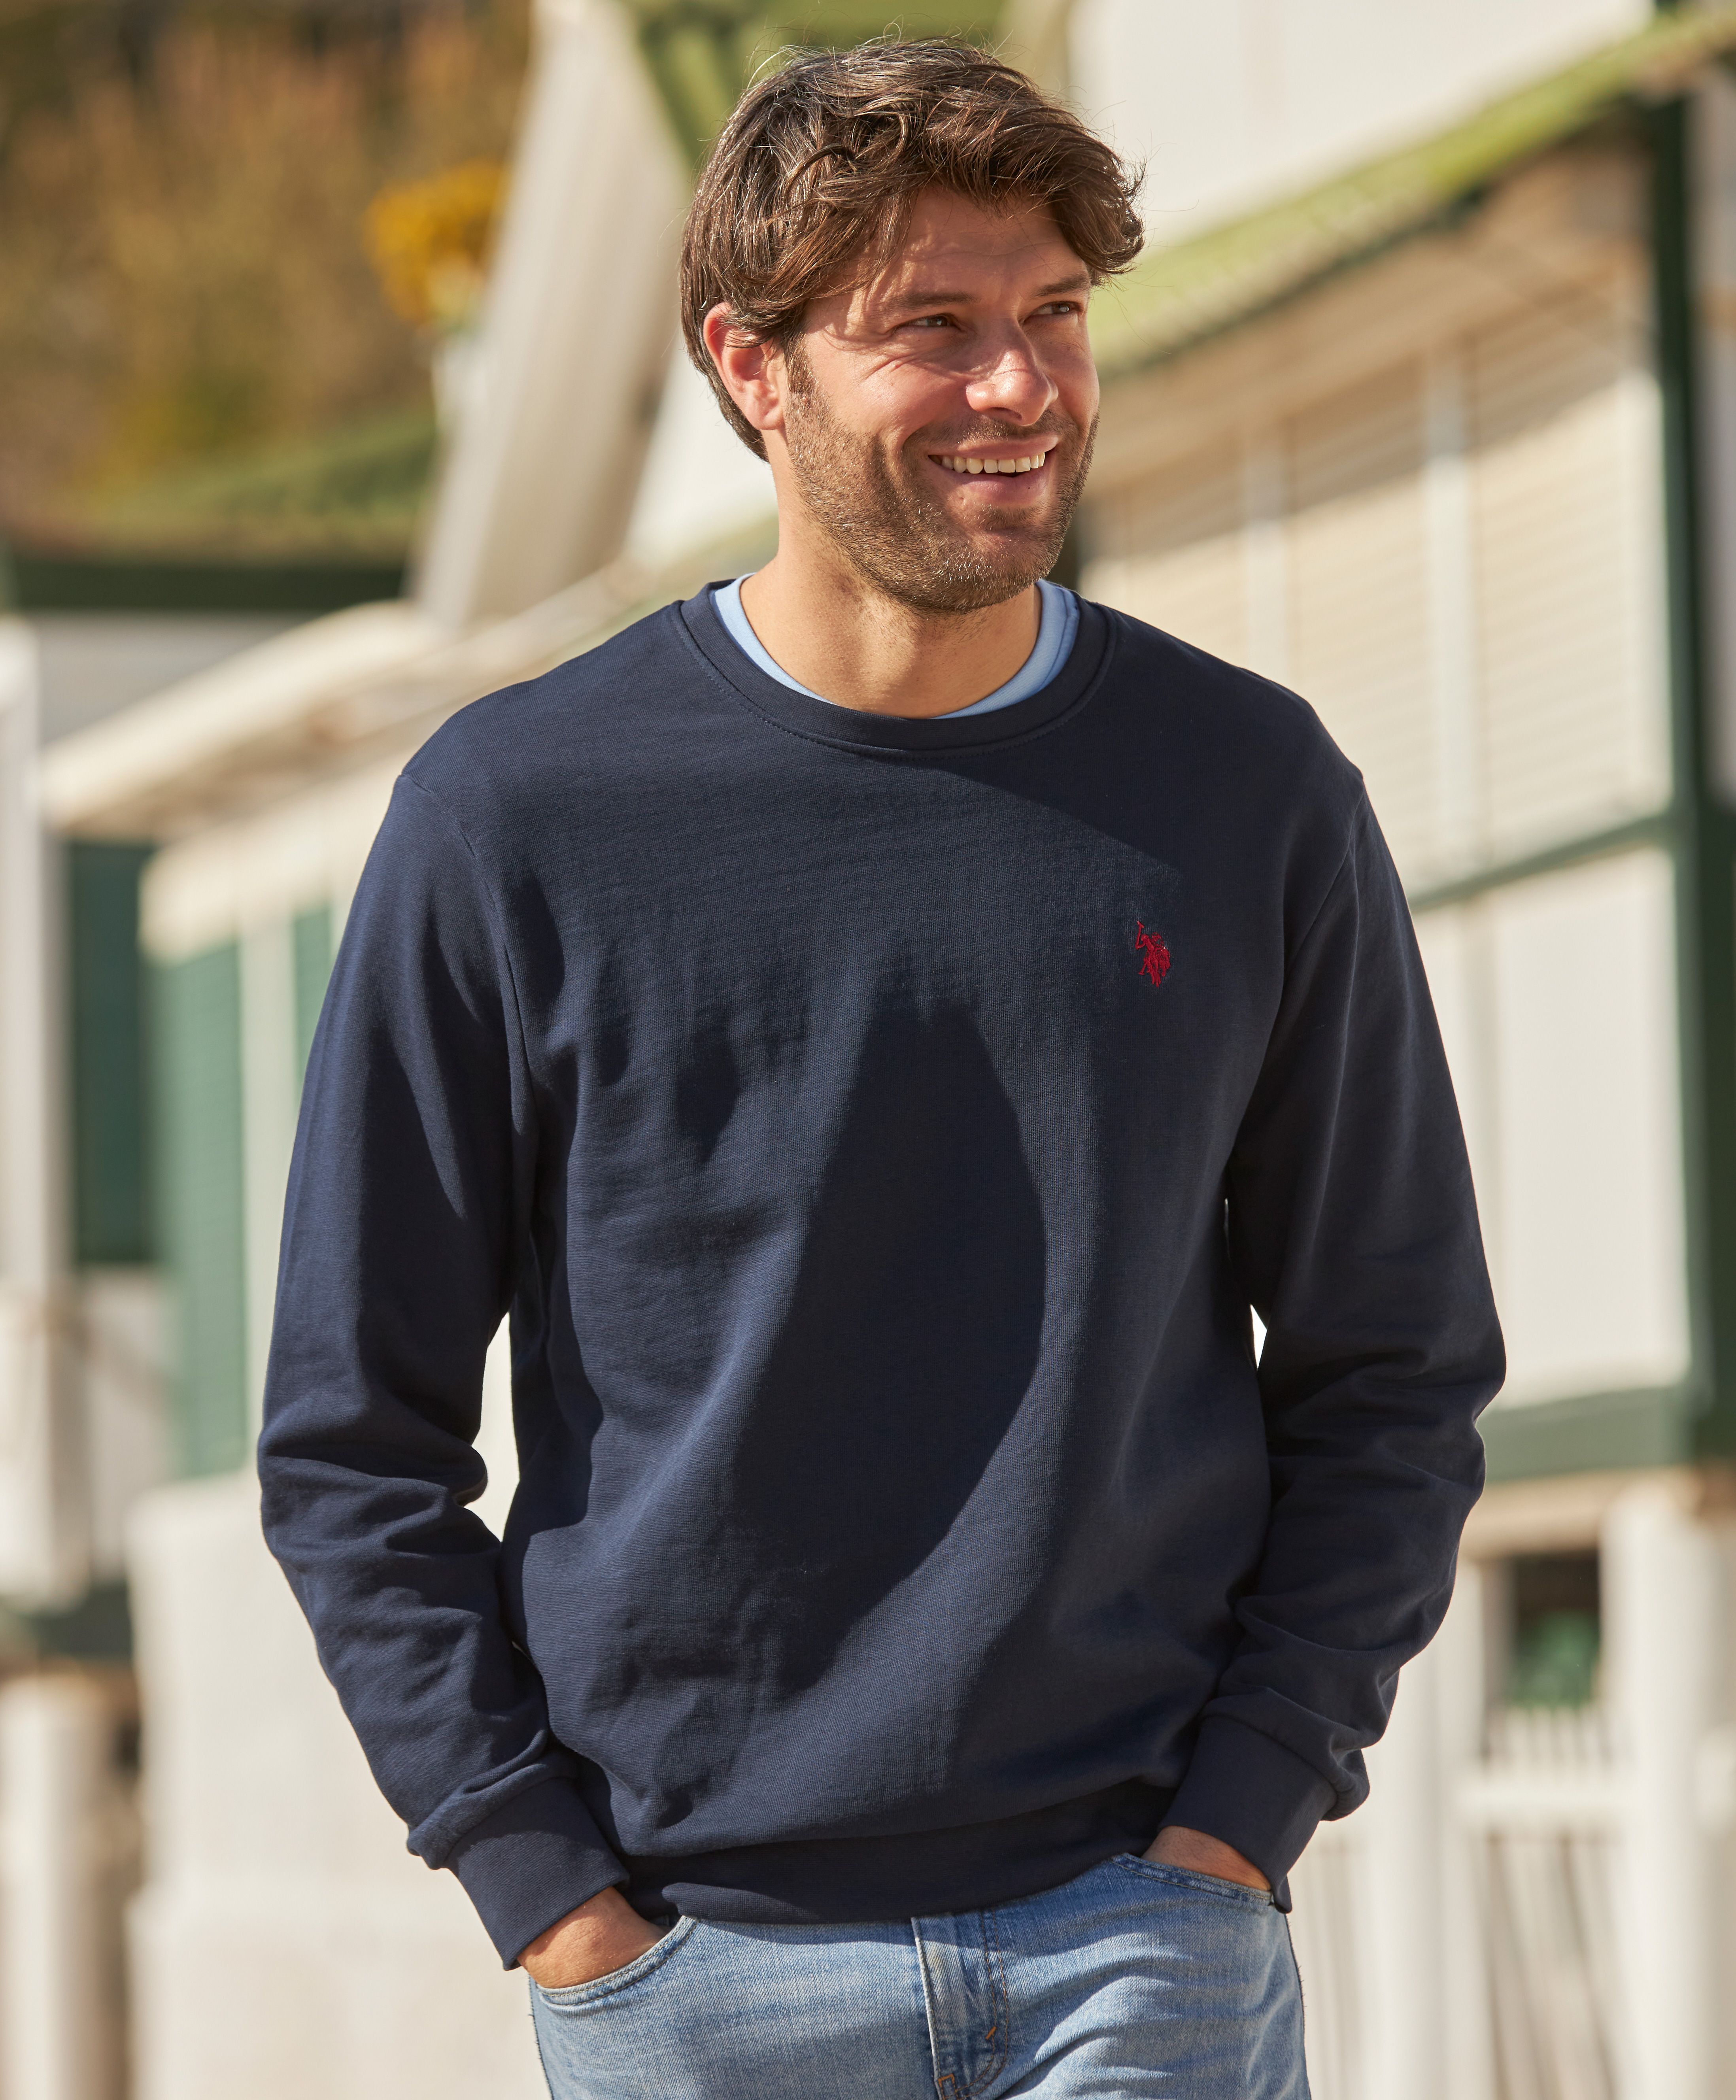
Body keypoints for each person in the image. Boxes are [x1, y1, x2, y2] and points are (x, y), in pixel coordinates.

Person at [259, 39, 1502, 2100]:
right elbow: (349, 1444)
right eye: (934, 328)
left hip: (1141, 1950)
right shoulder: (516, 818)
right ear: (752, 370)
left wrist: (1238, 1826)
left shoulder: (1246, 791)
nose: (1023, 385)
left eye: (1055, 317)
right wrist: (548, 1892)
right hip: (694, 1977)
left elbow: (1396, 1363)